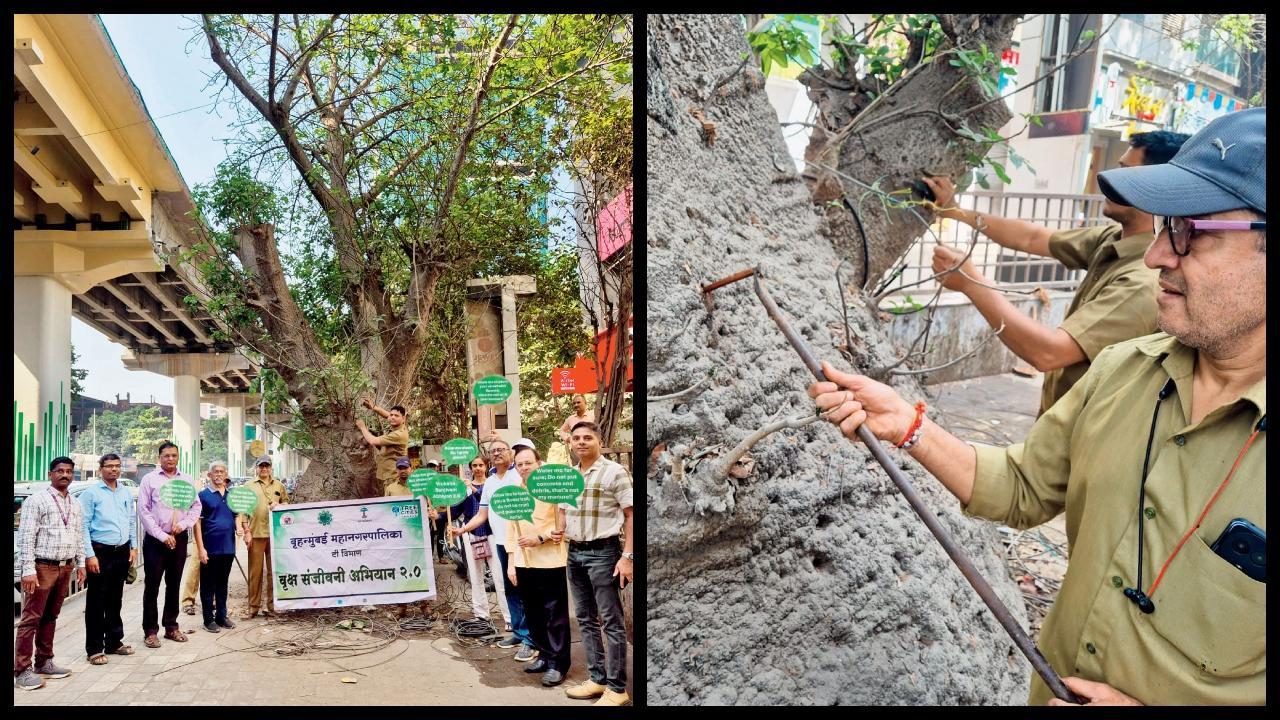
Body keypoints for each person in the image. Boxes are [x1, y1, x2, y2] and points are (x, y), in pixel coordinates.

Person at [810, 107, 1265, 706]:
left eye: (1188, 232)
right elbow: (1023, 486)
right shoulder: (1124, 370)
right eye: (1162, 228)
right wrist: (909, 426)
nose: (1156, 256)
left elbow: (1050, 350)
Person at [922, 130, 1190, 414]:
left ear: (1159, 186)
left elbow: (1048, 352)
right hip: (1058, 419)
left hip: (1087, 436)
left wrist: (971, 282)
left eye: (1126, 172)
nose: (1110, 180)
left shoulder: (1142, 284)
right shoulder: (1114, 238)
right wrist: (955, 212)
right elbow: (1032, 237)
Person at [561, 421, 634, 705]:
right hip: (574, 552)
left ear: (599, 442)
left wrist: (628, 557)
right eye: (576, 438)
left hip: (604, 553)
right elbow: (566, 514)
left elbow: (631, 515)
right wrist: (561, 529)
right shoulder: (569, 476)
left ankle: (617, 689)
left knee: (611, 621)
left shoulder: (614, 472)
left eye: (587, 437)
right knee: (585, 619)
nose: (581, 442)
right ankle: (597, 678)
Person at [454, 436, 537, 662]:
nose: (497, 453)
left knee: (525, 590)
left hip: (524, 542)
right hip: (502, 541)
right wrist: (462, 531)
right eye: (494, 451)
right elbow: (482, 515)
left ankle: (532, 639)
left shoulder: (517, 474)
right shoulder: (490, 481)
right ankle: (519, 633)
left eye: (502, 449)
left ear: (510, 453)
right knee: (510, 589)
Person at [15, 457, 86, 691]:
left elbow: (78, 535)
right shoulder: (37, 501)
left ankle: (44, 662)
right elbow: (25, 537)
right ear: (50, 474)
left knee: (51, 616)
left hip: (66, 567)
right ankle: (21, 670)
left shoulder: (75, 503)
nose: (65, 475)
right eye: (60, 471)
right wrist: (27, 570)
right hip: (42, 567)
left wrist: (81, 564)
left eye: (69, 471)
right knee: (31, 619)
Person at [506, 445, 571, 687]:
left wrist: (540, 538)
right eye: (519, 464)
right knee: (533, 613)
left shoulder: (552, 490)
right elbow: (511, 530)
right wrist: (512, 563)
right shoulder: (514, 492)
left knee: (555, 615)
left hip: (550, 561)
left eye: (528, 463)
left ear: (538, 463)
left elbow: (562, 524)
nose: (523, 468)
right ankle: (544, 655)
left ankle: (558, 664)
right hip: (524, 563)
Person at [137, 441, 201, 649]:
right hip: (156, 540)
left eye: (174, 455)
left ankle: (171, 626)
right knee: (152, 585)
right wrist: (162, 536)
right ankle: (150, 631)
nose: (170, 459)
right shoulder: (150, 480)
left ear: (178, 457)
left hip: (179, 538)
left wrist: (183, 525)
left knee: (174, 584)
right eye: (166, 456)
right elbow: (144, 511)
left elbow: (195, 507)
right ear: (160, 458)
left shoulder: (187, 480)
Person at [79, 453, 137, 666]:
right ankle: (94, 648)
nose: (114, 469)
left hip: (121, 552)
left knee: (116, 599)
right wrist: (90, 555)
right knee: (96, 602)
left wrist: (133, 546)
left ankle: (114, 641)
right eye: (109, 466)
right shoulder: (91, 494)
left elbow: (131, 520)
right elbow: (83, 526)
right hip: (100, 552)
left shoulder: (125, 492)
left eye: (117, 466)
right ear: (101, 468)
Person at [446, 455, 511, 629]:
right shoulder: (464, 488)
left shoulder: (492, 484)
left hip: (493, 534)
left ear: (486, 465)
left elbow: (494, 505)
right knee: (475, 577)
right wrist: (438, 515)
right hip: (471, 534)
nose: (478, 468)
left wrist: (475, 491)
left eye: (481, 465)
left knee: (500, 577)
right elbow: (454, 510)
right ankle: (481, 615)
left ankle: (510, 618)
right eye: (474, 465)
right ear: (470, 468)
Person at [238, 456, 290, 620]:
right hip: (256, 534)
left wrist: (279, 505)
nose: (264, 469)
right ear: (257, 468)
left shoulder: (279, 485)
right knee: (255, 573)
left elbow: (288, 504)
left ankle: (272, 607)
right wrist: (246, 531)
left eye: (267, 466)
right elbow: (243, 510)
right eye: (261, 466)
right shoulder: (248, 486)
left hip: (275, 535)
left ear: (271, 468)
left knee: (274, 572)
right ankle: (253, 608)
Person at [194, 461, 237, 633]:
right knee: (208, 585)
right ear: (209, 475)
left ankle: (221, 615)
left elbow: (237, 516)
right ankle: (208, 619)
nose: (219, 474)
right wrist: (201, 549)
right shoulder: (202, 496)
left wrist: (241, 527)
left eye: (222, 471)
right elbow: (197, 523)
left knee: (223, 584)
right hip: (210, 548)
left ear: (226, 474)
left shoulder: (231, 495)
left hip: (228, 547)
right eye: (215, 472)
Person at [357, 398, 410, 492]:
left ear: (403, 419)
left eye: (396, 416)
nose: (392, 417)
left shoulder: (399, 434)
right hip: (388, 474)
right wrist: (373, 407)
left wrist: (362, 427)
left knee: (391, 501)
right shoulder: (401, 426)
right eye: (391, 415)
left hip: (392, 475)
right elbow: (388, 416)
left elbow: (372, 441)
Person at [179, 468, 208, 616]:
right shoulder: (202, 496)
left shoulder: (226, 496)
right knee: (195, 568)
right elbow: (197, 519)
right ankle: (188, 601)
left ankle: (211, 600)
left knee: (213, 570)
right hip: (200, 538)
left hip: (216, 540)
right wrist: (199, 542)